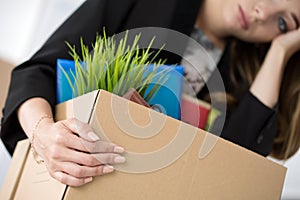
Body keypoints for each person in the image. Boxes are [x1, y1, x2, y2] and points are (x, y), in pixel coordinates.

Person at [1, 0, 300, 186]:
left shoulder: (239, 75)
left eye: (283, 22)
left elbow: (231, 173)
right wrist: (44, 134)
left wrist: (280, 51)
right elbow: (37, 71)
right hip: (71, 181)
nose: (263, 12)